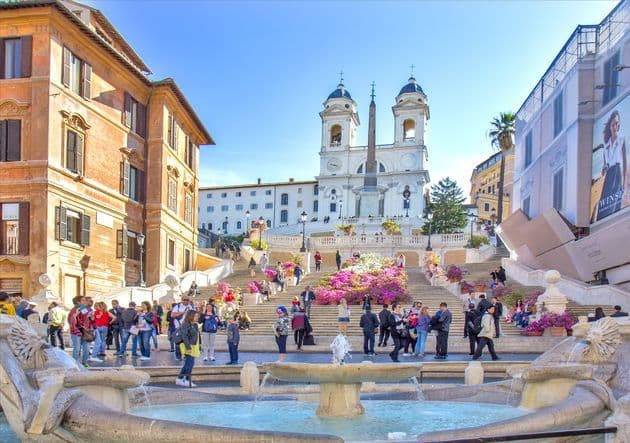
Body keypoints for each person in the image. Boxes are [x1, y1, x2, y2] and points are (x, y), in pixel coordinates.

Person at [596, 110, 627, 221]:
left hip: (617, 173)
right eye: (613, 124)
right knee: (604, 207)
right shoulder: (606, 144)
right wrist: (604, 170)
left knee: (614, 205)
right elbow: (604, 166)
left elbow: (624, 162)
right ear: (610, 126)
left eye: (617, 124)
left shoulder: (622, 139)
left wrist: (623, 183)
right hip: (608, 175)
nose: (615, 127)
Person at [68, 296, 98, 366]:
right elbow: (72, 320)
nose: (85, 302)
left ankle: (85, 362)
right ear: (78, 302)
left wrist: (92, 319)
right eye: (83, 300)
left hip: (85, 331)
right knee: (77, 349)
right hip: (76, 331)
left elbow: (87, 318)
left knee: (86, 348)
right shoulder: (74, 310)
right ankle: (74, 364)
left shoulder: (83, 309)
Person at [177, 310, 200, 387]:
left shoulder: (194, 324)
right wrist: (188, 347)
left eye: (197, 316)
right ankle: (186, 380)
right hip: (187, 346)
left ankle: (180, 378)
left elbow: (196, 336)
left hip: (193, 346)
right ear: (190, 316)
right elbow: (184, 337)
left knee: (189, 363)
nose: (197, 317)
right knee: (189, 363)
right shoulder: (186, 324)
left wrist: (199, 346)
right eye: (195, 316)